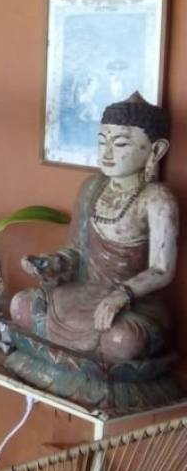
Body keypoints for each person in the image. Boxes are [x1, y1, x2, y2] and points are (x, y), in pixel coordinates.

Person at [9, 92, 177, 364]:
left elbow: (161, 270)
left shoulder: (157, 199)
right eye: (102, 141)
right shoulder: (91, 188)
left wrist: (123, 294)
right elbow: (77, 251)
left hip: (134, 302)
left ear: (155, 150)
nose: (107, 153)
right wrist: (52, 263)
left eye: (120, 144)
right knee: (21, 305)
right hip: (83, 292)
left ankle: (81, 363)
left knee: (123, 340)